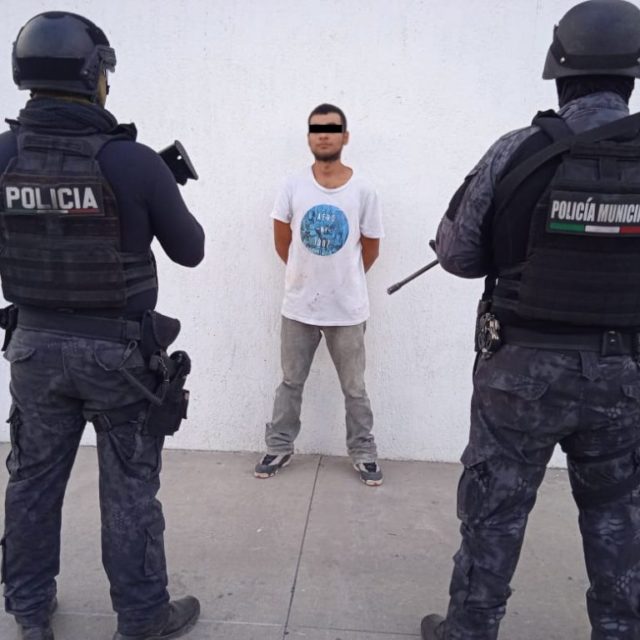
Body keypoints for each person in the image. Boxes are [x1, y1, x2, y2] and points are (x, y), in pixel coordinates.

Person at [420, 1, 640, 639]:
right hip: (625, 375)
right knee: (620, 523)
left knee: (493, 516)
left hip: (521, 374)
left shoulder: (517, 151)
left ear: (559, 73)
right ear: (630, 76)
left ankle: (469, 630)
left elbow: (458, 257)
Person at [0, 12, 204, 640]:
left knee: (32, 484)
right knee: (129, 492)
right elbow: (190, 249)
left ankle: (30, 614)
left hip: (33, 350)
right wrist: (153, 192)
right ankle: (141, 620)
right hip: (118, 358)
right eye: (104, 74)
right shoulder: (132, 161)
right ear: (93, 77)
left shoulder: (3, 156)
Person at [255, 104, 385, 486]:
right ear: (309, 136)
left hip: (347, 310)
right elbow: (283, 241)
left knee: (355, 388)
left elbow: (371, 248)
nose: (323, 135)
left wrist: (344, 279)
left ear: (345, 136)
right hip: (299, 307)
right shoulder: (292, 185)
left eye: (331, 129)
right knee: (290, 382)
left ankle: (363, 452)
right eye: (316, 129)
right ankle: (279, 446)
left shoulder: (363, 190)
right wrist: (305, 276)